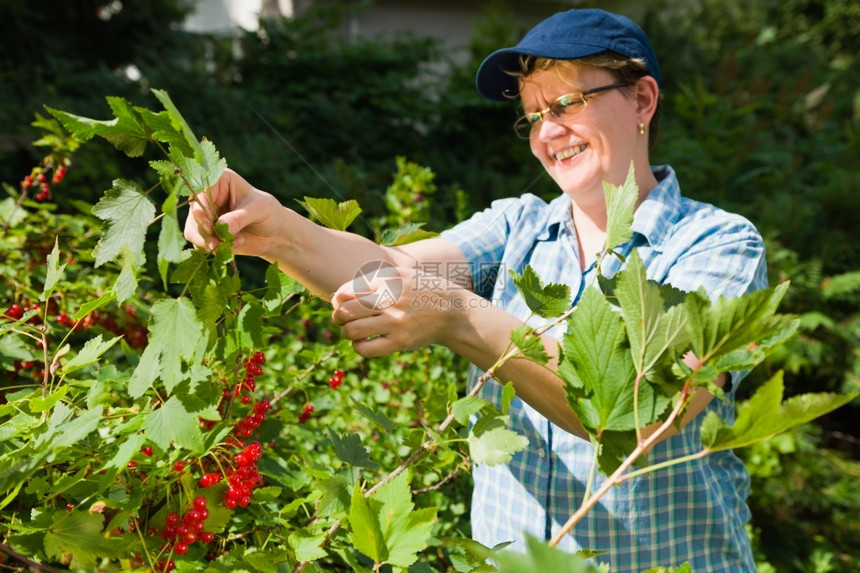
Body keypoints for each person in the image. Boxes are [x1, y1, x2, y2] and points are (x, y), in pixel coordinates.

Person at [184, 8, 766, 572]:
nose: (548, 133)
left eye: (566, 103)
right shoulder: (519, 227)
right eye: (534, 116)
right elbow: (388, 269)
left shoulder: (718, 246)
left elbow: (643, 409)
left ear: (641, 100)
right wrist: (278, 230)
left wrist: (459, 317)